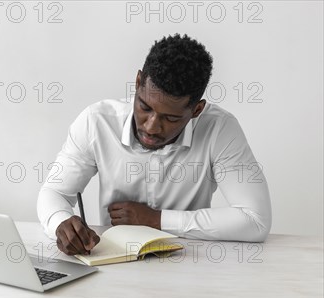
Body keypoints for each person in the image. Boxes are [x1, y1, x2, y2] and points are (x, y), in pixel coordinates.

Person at [37, 34, 272, 256]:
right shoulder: (96, 122)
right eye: (145, 107)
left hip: (191, 267)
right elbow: (55, 191)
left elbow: (255, 220)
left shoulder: (220, 129)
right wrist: (60, 222)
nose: (151, 127)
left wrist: (156, 219)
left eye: (170, 118)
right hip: (111, 264)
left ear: (196, 111)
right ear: (138, 82)